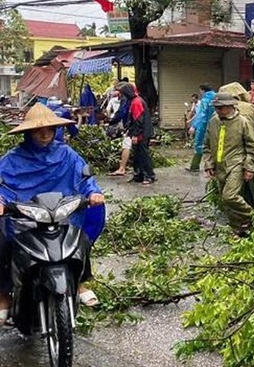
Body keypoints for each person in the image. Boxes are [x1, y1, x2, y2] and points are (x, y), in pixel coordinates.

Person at [0, 103, 106, 322]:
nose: (45, 134)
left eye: (50, 129)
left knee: (80, 241)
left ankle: (79, 282)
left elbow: (85, 178)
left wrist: (94, 193)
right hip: (25, 217)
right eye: (39, 130)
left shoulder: (67, 154)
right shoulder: (12, 159)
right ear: (28, 132)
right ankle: (3, 295)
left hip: (61, 213)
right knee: (2, 243)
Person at [202, 92, 254, 236]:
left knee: (229, 196)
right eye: (216, 108)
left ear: (230, 106)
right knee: (227, 203)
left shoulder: (242, 122)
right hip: (219, 165)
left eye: (221, 108)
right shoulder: (213, 122)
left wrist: (250, 167)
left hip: (236, 164)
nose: (218, 110)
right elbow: (206, 145)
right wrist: (209, 164)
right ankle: (238, 229)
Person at [119, 83, 156, 185]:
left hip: (141, 134)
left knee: (143, 155)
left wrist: (135, 134)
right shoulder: (135, 101)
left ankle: (149, 176)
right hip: (140, 132)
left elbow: (138, 120)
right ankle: (138, 175)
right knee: (137, 155)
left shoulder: (136, 102)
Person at [188, 84, 216, 172]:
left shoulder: (205, 100)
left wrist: (194, 126)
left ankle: (195, 166)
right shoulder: (217, 98)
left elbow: (201, 114)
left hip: (204, 126)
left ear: (203, 90)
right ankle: (214, 166)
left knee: (199, 145)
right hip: (217, 125)